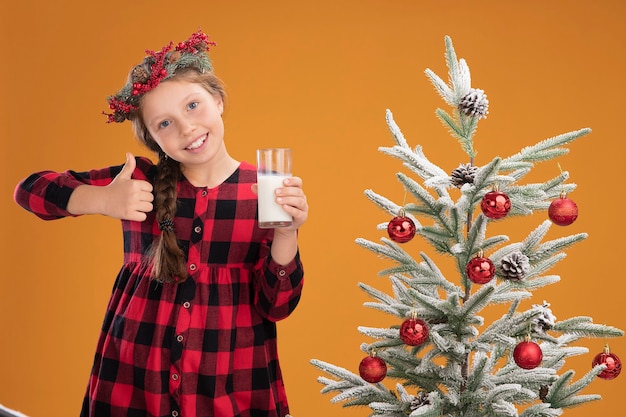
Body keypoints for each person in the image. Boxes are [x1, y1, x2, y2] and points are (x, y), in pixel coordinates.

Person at [14, 30, 308, 417]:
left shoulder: (266, 190)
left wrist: (287, 233)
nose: (187, 128)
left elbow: (277, 307)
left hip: (230, 383)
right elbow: (29, 190)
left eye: (192, 106)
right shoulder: (138, 179)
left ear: (217, 101)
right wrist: (101, 199)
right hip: (134, 379)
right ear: (152, 138)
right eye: (164, 124)